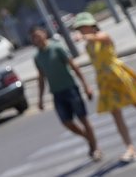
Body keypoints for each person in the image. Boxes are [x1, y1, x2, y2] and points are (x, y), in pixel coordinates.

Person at [71, 12, 136, 163]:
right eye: (80, 28)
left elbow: (100, 38)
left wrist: (85, 37)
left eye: (83, 27)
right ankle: (130, 147)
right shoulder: (88, 45)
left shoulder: (102, 36)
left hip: (117, 75)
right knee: (115, 114)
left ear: (91, 26)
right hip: (105, 81)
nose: (82, 30)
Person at [31, 25, 100, 162]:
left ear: (44, 34)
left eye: (38, 36)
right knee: (66, 122)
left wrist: (86, 86)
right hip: (57, 93)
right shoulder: (37, 57)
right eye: (33, 38)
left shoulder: (57, 48)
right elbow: (41, 78)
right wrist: (40, 99)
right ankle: (88, 137)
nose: (36, 39)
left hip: (70, 89)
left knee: (83, 119)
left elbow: (74, 66)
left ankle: (95, 148)